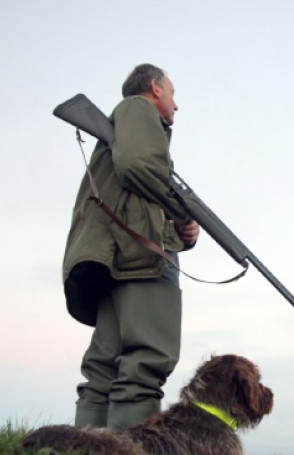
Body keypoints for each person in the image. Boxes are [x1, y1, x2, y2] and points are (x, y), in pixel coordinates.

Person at [61, 63, 200, 430]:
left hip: (118, 257)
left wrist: (179, 230)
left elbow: (133, 187)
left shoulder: (122, 128)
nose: (176, 104)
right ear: (155, 88)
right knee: (145, 359)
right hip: (141, 260)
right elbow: (139, 164)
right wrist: (181, 212)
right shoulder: (137, 109)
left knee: (104, 367)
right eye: (172, 93)